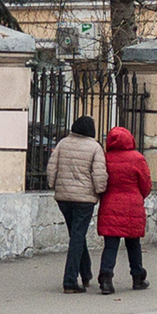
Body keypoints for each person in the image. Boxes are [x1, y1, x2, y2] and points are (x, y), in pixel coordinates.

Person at [46, 115, 108, 293]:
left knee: (76, 235)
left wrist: (53, 184)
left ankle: (86, 273)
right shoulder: (95, 147)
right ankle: (70, 281)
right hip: (84, 199)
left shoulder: (63, 143)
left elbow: (52, 167)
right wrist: (100, 191)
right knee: (77, 236)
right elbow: (99, 174)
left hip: (64, 197)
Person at [95, 123, 151, 295]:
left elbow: (101, 181)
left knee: (110, 245)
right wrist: (137, 196)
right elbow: (146, 184)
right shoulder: (138, 158)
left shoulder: (105, 158)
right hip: (133, 206)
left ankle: (106, 278)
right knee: (133, 244)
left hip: (110, 204)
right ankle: (137, 277)